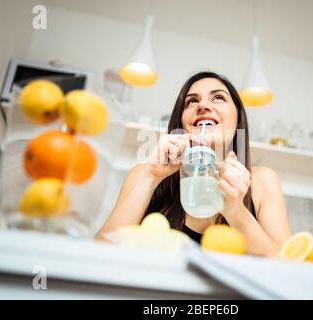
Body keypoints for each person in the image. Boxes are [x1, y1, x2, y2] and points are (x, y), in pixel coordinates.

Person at [96, 71, 291, 256]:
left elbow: (289, 271)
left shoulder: (262, 180)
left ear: (238, 117)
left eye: (218, 98)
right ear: (181, 122)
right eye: (192, 101)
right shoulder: (145, 173)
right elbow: (99, 253)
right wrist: (151, 177)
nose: (202, 106)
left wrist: (235, 210)